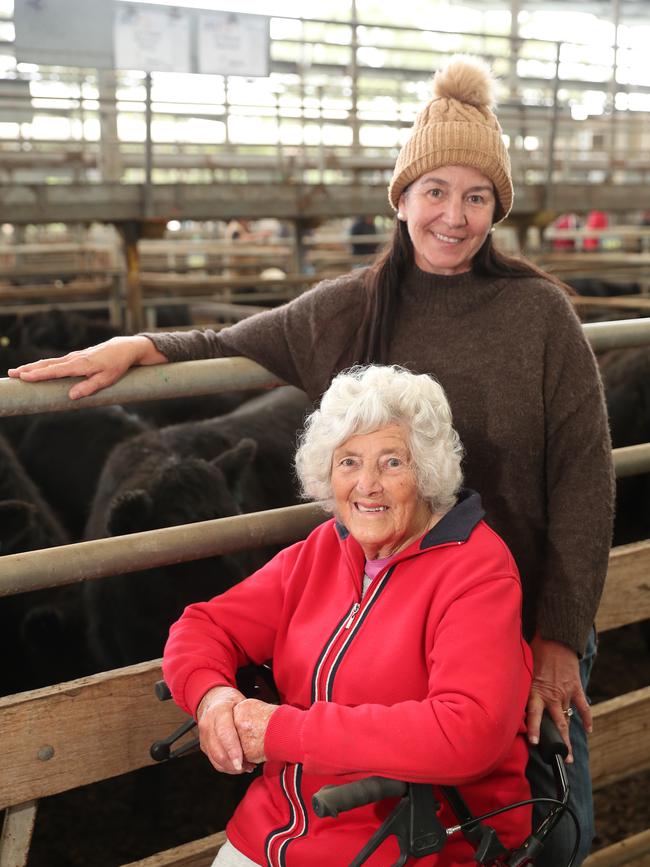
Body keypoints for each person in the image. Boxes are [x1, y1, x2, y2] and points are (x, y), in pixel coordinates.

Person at [8, 55, 614, 864]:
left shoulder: (540, 313)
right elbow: (222, 342)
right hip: (388, 608)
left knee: (549, 826)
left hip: (519, 613)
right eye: (435, 191)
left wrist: (562, 636)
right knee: (406, 800)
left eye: (478, 197)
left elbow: (585, 471)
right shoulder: (348, 306)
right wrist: (138, 344)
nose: (455, 216)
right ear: (401, 198)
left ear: (497, 208)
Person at [163, 364, 533, 867]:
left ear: (426, 471)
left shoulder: (477, 570)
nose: (367, 485)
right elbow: (204, 625)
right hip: (274, 830)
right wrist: (212, 698)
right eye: (349, 462)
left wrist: (279, 730)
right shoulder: (322, 550)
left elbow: (468, 732)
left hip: (413, 843)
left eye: (392, 462)